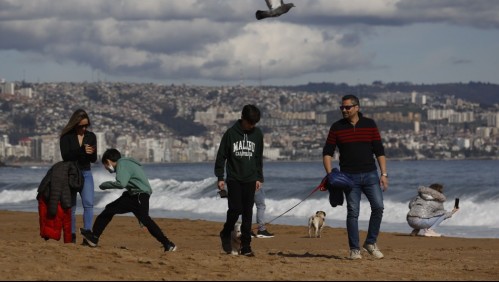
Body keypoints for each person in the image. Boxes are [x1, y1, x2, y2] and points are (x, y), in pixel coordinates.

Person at [322, 94, 388, 260]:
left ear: (357, 107)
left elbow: (379, 151)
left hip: (371, 174)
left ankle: (370, 243)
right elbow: (327, 152)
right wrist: (330, 175)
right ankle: (354, 249)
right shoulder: (337, 127)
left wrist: (384, 174)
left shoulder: (370, 124)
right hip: (349, 177)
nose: (344, 110)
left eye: (347, 107)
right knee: (353, 212)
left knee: (378, 207)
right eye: (342, 107)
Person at [80, 148, 176, 252]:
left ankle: (168, 244)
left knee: (145, 219)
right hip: (133, 195)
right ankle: (94, 237)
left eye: (105, 165)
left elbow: (121, 184)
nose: (106, 168)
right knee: (110, 209)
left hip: (139, 195)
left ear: (108, 161)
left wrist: (105, 185)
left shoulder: (122, 164)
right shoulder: (126, 163)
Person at [215, 104, 264, 257]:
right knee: (236, 209)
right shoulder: (230, 134)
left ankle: (246, 245)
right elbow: (221, 155)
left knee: (248, 212)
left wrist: (259, 177)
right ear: (242, 118)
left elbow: (258, 158)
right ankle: (225, 231)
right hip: (234, 177)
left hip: (250, 178)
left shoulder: (257, 134)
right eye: (250, 122)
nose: (252, 126)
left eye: (254, 123)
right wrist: (220, 177)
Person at [59, 109, 97, 244]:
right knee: (71, 207)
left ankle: (87, 234)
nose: (84, 128)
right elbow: (66, 156)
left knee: (89, 204)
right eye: (81, 126)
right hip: (71, 173)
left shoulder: (91, 136)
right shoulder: (66, 137)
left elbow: (93, 159)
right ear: (75, 124)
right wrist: (81, 150)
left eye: (86, 125)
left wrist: (91, 152)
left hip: (86, 173)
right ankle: (71, 236)